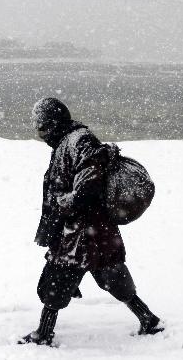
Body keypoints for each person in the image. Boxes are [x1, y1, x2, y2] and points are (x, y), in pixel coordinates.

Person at [19, 97, 163, 346]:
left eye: (42, 127)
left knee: (58, 279)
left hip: (82, 232)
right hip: (94, 230)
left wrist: (66, 202)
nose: (39, 133)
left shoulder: (79, 141)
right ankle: (148, 319)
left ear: (54, 123)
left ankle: (43, 334)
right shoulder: (69, 141)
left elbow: (88, 183)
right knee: (111, 274)